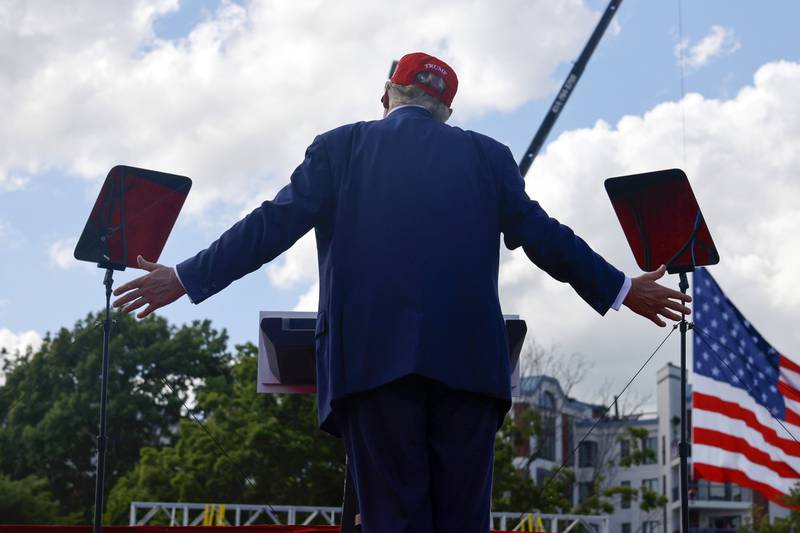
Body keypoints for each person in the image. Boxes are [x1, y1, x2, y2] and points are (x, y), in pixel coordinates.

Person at [112, 52, 691, 533]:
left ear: (386, 95)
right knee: (463, 521)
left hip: (372, 365)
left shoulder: (340, 149)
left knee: (391, 517)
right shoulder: (489, 157)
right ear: (446, 111)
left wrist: (185, 277)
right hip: (469, 372)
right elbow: (542, 236)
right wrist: (620, 288)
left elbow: (272, 224)